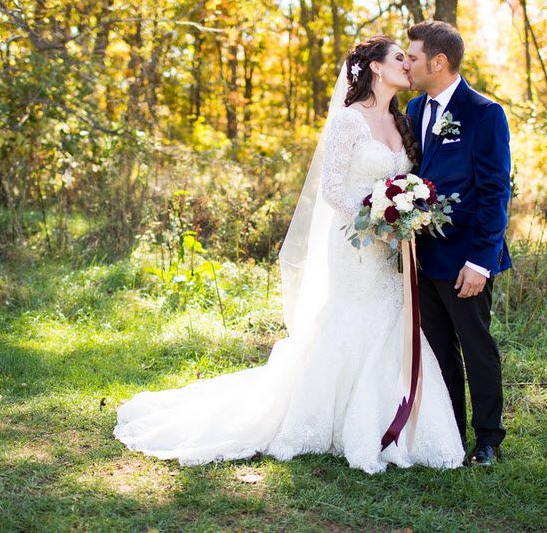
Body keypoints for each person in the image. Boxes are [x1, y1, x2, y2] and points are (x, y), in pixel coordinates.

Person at [114, 35, 465, 474]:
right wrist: (379, 221)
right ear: (376, 68)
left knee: (391, 321)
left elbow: (407, 181)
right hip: (355, 245)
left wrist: (404, 218)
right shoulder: (348, 121)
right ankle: (331, 420)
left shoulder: (403, 123)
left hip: (389, 251)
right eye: (399, 58)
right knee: (354, 320)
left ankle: (392, 424)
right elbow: (334, 189)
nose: (407, 66)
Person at [404, 20, 513, 466]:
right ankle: (449, 432)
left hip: (466, 259)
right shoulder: (413, 109)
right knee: (438, 350)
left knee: (476, 348)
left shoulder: (484, 113)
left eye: (412, 57)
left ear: (438, 61)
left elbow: (494, 193)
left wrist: (481, 262)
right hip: (422, 257)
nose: (406, 64)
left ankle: (488, 440)